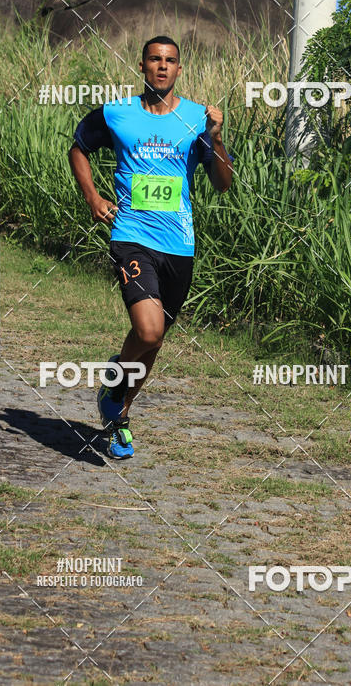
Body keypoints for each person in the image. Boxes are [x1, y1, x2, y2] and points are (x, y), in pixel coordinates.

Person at [69, 35, 233, 459]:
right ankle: (114, 385)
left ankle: (119, 418)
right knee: (149, 330)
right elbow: (79, 148)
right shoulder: (116, 114)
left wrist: (215, 138)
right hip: (132, 237)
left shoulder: (198, 118)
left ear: (179, 68)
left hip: (179, 245)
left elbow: (223, 182)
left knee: (154, 343)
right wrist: (93, 197)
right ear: (141, 66)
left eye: (170, 60)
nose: (162, 66)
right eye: (155, 59)